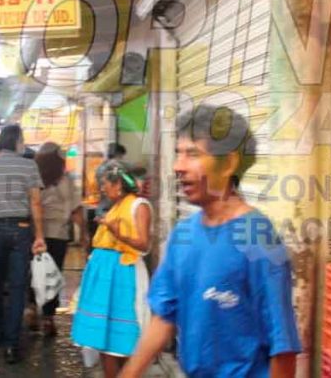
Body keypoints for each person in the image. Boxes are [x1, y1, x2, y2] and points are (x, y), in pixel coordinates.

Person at [119, 105, 301, 378]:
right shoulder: (183, 235)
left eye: (192, 154)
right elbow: (164, 315)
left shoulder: (259, 240)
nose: (178, 166)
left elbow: (282, 348)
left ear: (228, 163)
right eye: (178, 153)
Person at [0, 124, 47, 364]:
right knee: (17, 289)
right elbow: (36, 203)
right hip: (21, 229)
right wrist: (40, 236)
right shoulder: (30, 165)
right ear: (17, 142)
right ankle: (11, 345)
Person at [72, 161, 153, 378]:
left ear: (118, 183)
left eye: (104, 183)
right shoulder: (114, 206)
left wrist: (119, 233)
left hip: (124, 277)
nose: (102, 188)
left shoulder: (139, 206)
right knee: (105, 341)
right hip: (104, 276)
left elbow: (144, 244)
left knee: (125, 339)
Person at [33, 142, 86, 336]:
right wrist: (85, 236)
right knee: (52, 276)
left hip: (35, 234)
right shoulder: (67, 180)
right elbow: (76, 209)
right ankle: (48, 317)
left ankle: (32, 309)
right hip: (57, 235)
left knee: (34, 273)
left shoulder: (34, 177)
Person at [89, 143, 127, 247]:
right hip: (113, 212)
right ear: (118, 155)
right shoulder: (116, 168)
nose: (123, 159)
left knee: (103, 244)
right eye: (122, 156)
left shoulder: (100, 168)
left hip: (102, 211)